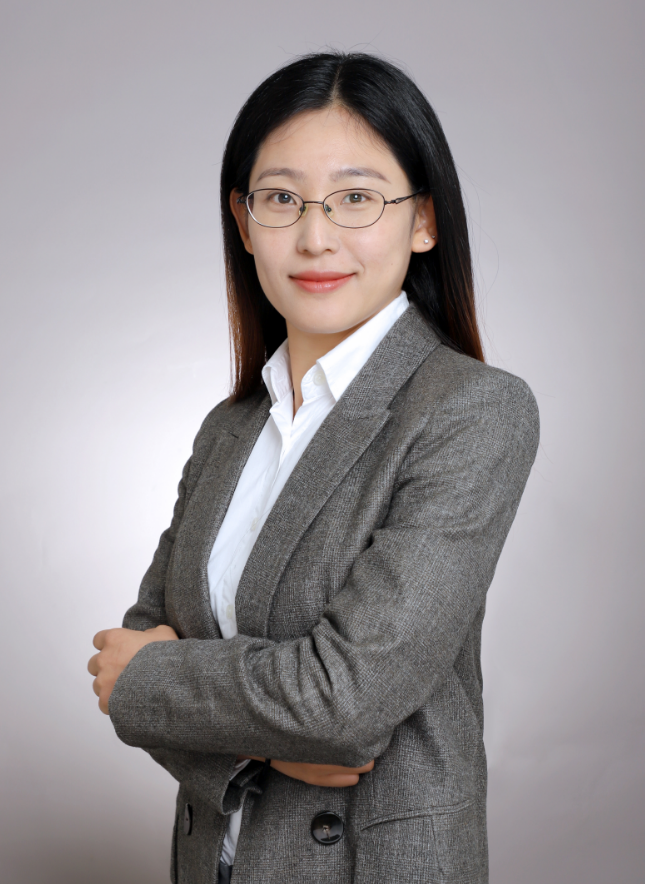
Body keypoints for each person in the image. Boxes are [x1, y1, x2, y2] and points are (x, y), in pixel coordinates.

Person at [88, 51, 539, 884]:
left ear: (423, 220)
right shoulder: (229, 430)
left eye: (356, 198)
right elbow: (134, 653)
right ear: (243, 221)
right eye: (281, 198)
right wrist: (260, 744)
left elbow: (345, 699)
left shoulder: (472, 409)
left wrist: (159, 687)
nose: (314, 236)